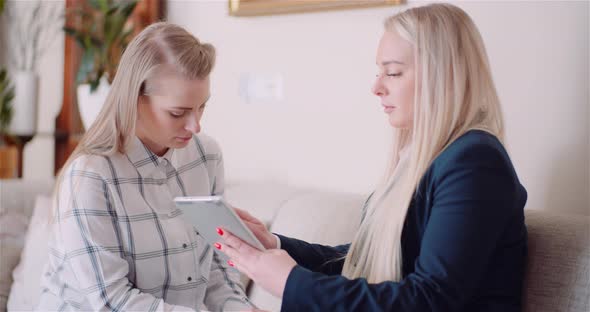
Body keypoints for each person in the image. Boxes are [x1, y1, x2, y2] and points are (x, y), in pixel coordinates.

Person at [217, 3, 528, 311]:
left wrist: (289, 281)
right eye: (379, 72)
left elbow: (431, 300)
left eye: (393, 73)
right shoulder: (424, 159)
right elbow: (366, 261)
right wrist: (276, 246)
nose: (376, 87)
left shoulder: (474, 163)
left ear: (442, 75)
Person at [37, 22, 254, 311]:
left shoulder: (206, 156)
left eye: (202, 106)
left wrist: (242, 308)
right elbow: (112, 301)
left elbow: (215, 263)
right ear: (135, 98)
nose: (195, 125)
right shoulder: (90, 176)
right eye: (178, 112)